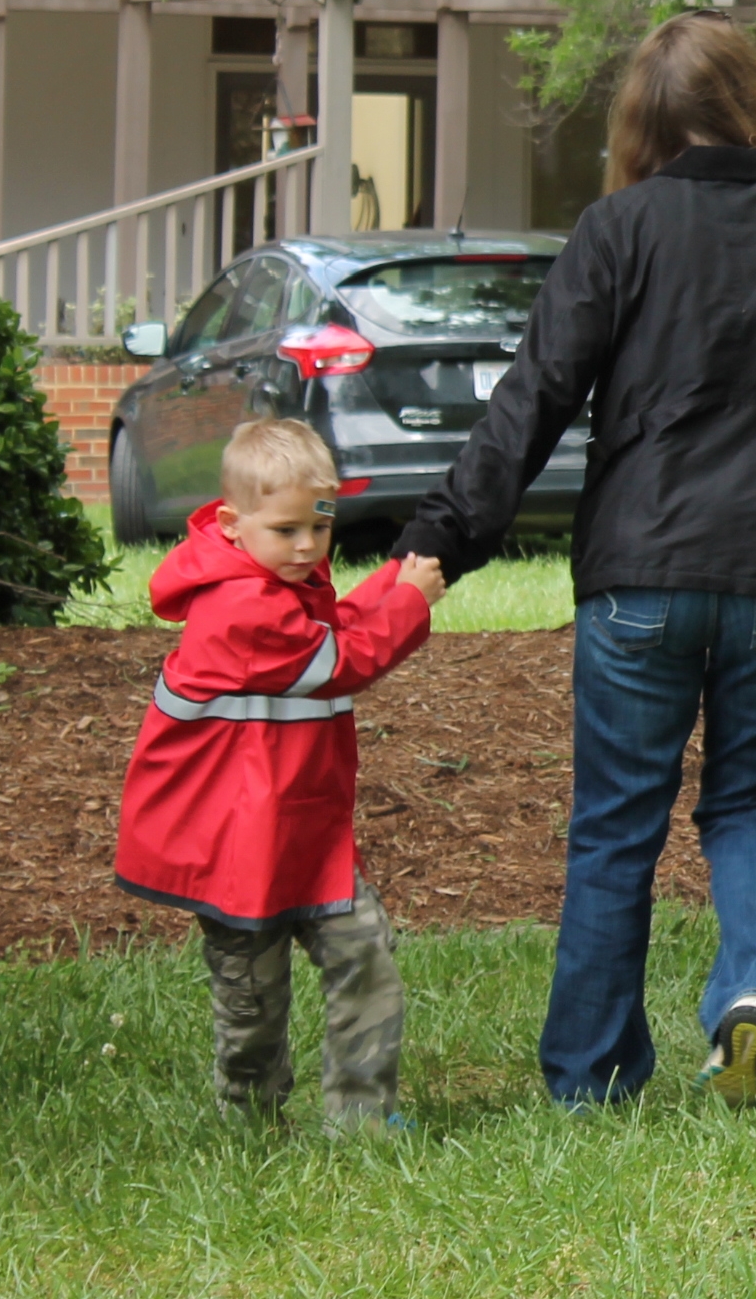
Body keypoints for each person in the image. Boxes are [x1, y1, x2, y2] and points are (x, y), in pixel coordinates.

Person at [396, 10, 756, 1109]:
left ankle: (590, 1076)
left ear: (644, 121)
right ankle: (749, 989)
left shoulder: (617, 229)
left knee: (616, 820)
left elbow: (531, 399)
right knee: (750, 806)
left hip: (639, 575)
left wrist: (442, 541)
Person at [112, 417, 441, 1133]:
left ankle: (362, 1115)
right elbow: (340, 661)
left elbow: (335, 626)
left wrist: (395, 576)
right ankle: (249, 1118)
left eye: (320, 528)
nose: (307, 546)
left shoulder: (275, 581)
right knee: (252, 1000)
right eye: (286, 530)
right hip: (233, 849)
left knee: (365, 956)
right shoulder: (238, 607)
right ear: (231, 524)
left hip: (302, 836)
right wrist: (412, 603)